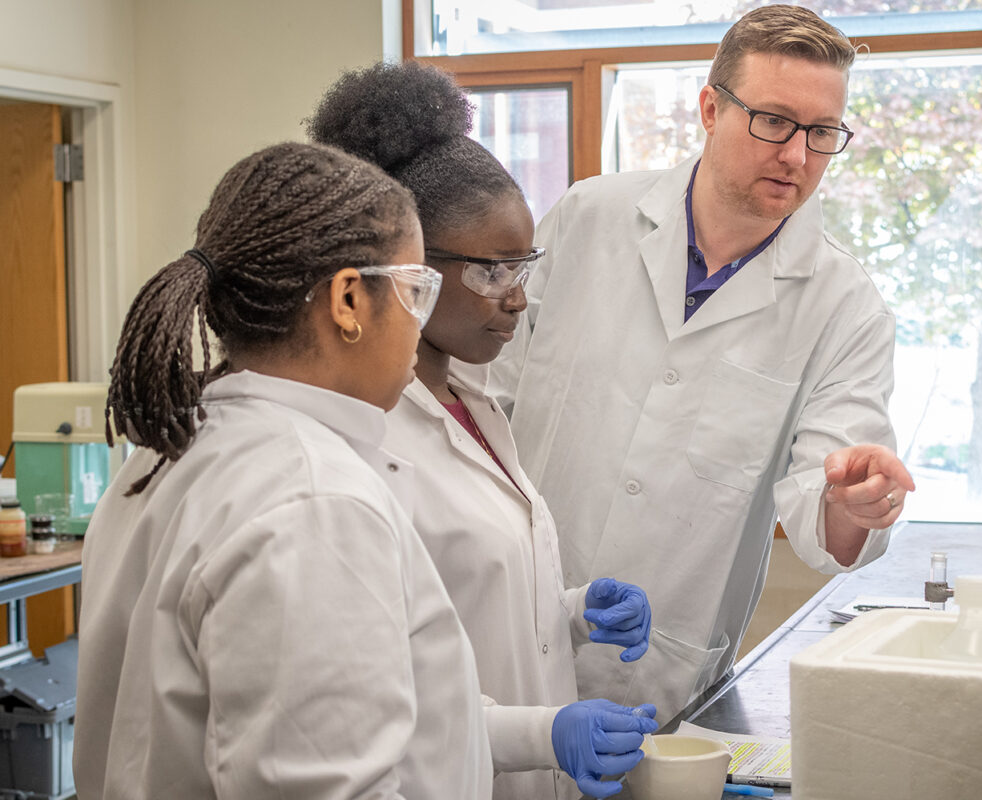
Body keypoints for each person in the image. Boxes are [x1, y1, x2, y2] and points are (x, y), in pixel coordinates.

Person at [490, 4, 917, 720]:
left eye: (821, 133)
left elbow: (830, 519)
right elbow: (485, 401)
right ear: (710, 108)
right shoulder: (589, 217)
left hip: (657, 670)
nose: (796, 156)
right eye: (774, 121)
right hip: (504, 625)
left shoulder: (845, 307)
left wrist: (858, 501)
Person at [74, 142, 493, 799]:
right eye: (417, 289)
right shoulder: (314, 501)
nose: (422, 320)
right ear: (349, 299)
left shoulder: (161, 458)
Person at [308, 61, 657, 800]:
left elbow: (472, 602)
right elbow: (382, 686)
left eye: (523, 267)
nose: (518, 299)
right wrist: (541, 735)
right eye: (493, 272)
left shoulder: (477, 398)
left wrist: (572, 611)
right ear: (409, 268)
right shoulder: (361, 439)